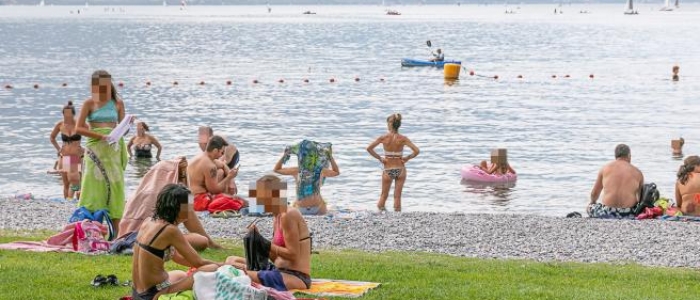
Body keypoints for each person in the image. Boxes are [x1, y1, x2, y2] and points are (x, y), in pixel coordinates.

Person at [131, 184, 220, 300]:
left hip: (137, 293)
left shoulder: (149, 222)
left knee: (180, 274)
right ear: (176, 207)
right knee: (211, 268)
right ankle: (160, 295)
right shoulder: (170, 230)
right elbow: (199, 263)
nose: (191, 209)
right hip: (152, 294)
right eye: (188, 205)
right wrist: (227, 265)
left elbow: (177, 257)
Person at [225, 175, 312, 291]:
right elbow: (276, 258)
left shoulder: (288, 215)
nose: (257, 201)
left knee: (234, 271)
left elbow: (293, 254)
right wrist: (256, 239)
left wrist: (265, 243)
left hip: (295, 276)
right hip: (278, 270)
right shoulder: (277, 216)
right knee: (231, 260)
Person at [120, 157, 222, 250]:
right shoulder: (163, 194)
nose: (183, 178)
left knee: (198, 237)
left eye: (184, 174)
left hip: (136, 237)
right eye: (180, 174)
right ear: (167, 174)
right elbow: (188, 215)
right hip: (146, 238)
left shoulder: (144, 190)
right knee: (201, 240)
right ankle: (210, 243)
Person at [75, 70, 130, 237]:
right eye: (100, 86)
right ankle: (93, 230)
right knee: (93, 188)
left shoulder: (118, 103)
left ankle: (115, 234)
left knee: (115, 188)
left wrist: (126, 126)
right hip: (95, 148)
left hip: (113, 149)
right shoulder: (89, 103)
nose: (104, 88)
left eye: (106, 85)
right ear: (94, 86)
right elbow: (78, 128)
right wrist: (100, 136)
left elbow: (123, 129)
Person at [366, 113, 420, 212]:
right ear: (398, 125)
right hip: (400, 169)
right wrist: (407, 158)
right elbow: (416, 151)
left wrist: (380, 158)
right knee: (397, 196)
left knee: (384, 195)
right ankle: (397, 215)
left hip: (388, 169)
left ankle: (382, 213)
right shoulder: (403, 138)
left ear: (390, 124)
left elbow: (369, 149)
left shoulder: (384, 138)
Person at [273, 142, 339, 215]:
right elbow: (276, 170)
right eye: (306, 156)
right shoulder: (297, 170)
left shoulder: (321, 171)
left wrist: (330, 157)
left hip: (319, 208)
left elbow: (336, 172)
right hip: (299, 208)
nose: (308, 159)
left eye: (311, 156)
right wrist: (285, 155)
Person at [187, 135, 242, 212]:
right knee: (236, 201)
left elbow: (222, 165)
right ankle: (254, 207)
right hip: (198, 201)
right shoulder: (209, 165)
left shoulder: (202, 157)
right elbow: (215, 190)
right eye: (222, 152)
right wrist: (228, 177)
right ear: (216, 150)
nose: (222, 155)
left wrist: (231, 179)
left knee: (233, 198)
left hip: (188, 198)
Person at [588, 144, 644, 218]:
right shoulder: (638, 172)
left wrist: (593, 202)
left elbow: (594, 194)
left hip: (607, 212)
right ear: (629, 156)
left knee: (590, 207)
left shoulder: (605, 169)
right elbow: (640, 199)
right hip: (629, 213)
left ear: (616, 156)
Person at [49, 101, 83, 200]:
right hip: (65, 156)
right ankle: (66, 202)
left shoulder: (79, 123)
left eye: (69, 114)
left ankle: (74, 200)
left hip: (76, 156)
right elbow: (52, 138)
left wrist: (86, 148)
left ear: (73, 114)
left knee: (76, 181)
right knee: (66, 183)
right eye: (65, 114)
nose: (67, 116)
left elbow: (90, 133)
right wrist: (58, 149)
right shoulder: (60, 125)